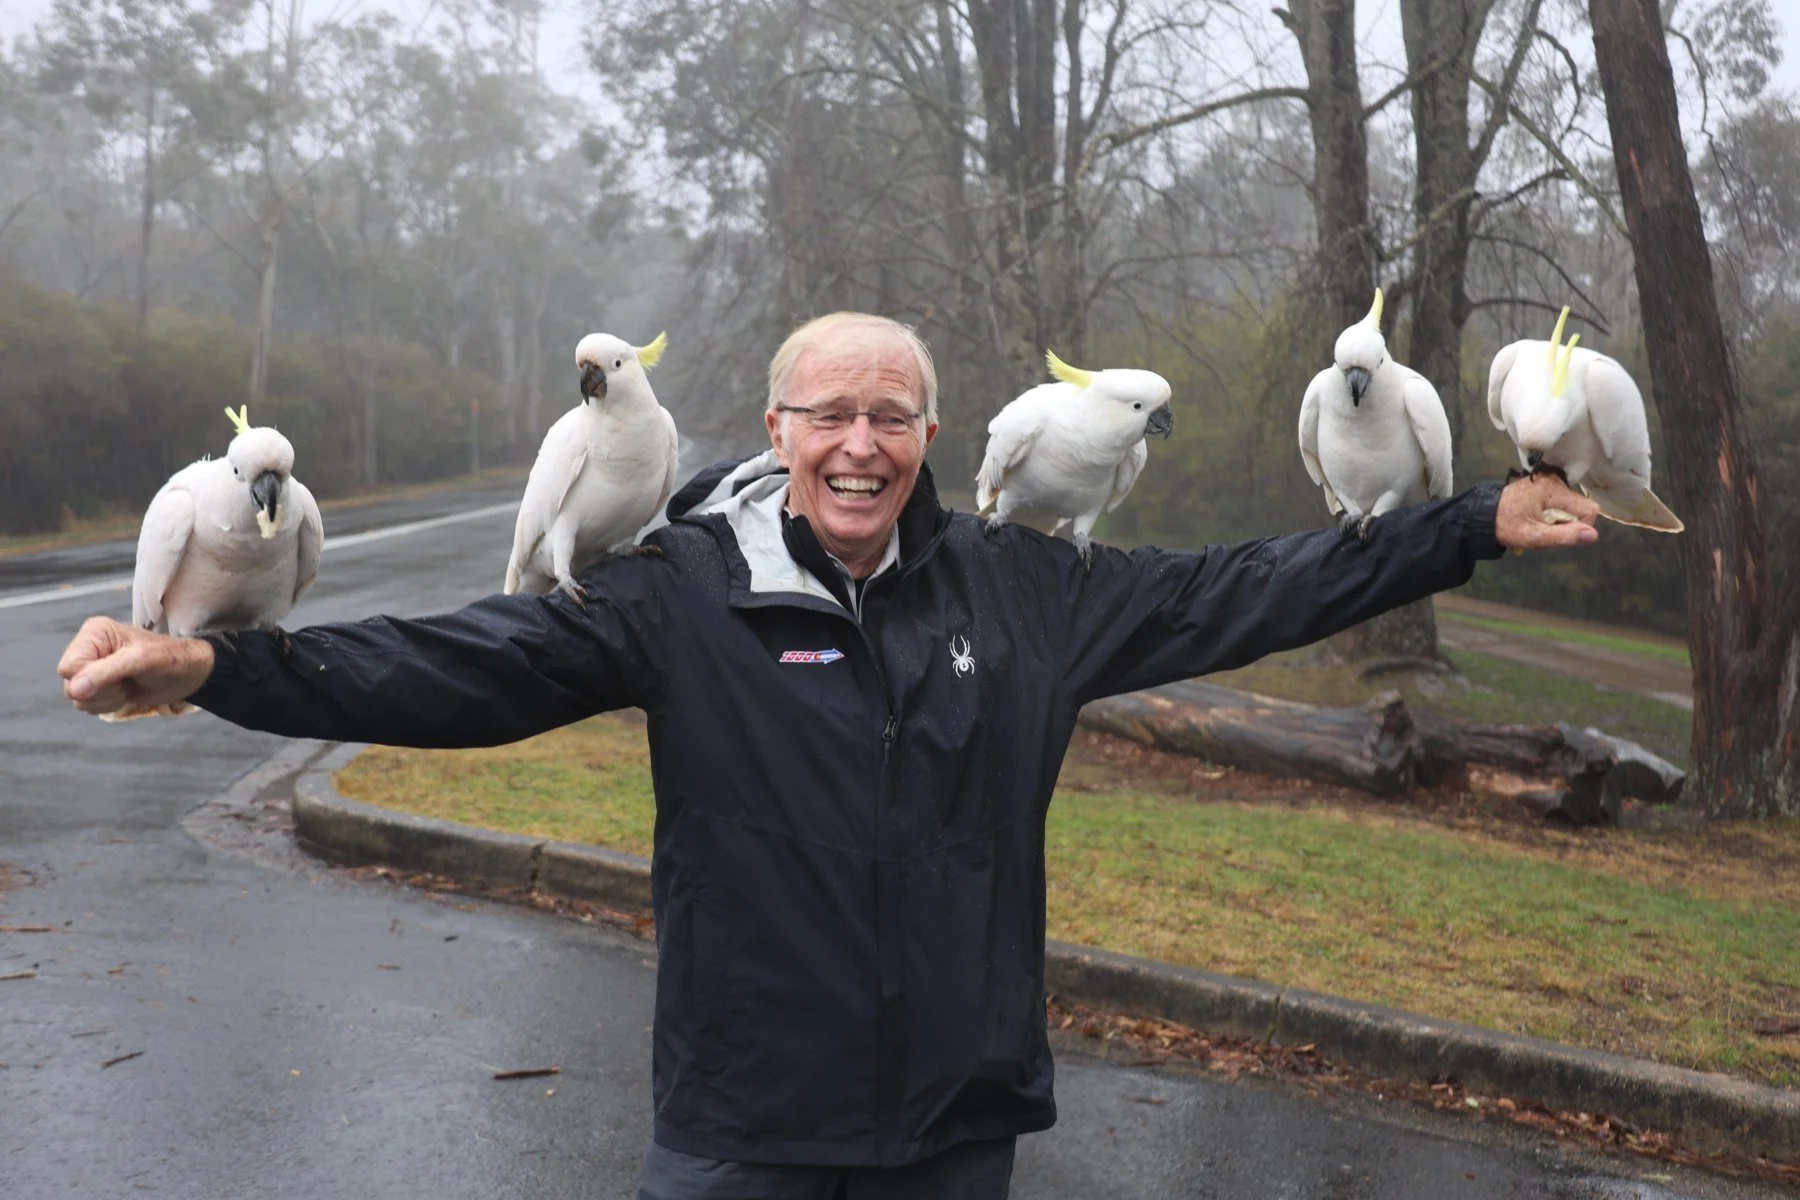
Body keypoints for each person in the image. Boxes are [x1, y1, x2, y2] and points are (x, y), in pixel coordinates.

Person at [57, 312, 1600, 1199]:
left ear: (931, 435)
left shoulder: (1026, 587)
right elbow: (464, 661)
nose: (860, 443)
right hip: (742, 1129)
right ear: (779, 431)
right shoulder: (680, 596)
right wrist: (217, 665)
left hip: (953, 1125)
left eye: (891, 415)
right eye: (829, 416)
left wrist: (1467, 523)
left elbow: (1250, 586)